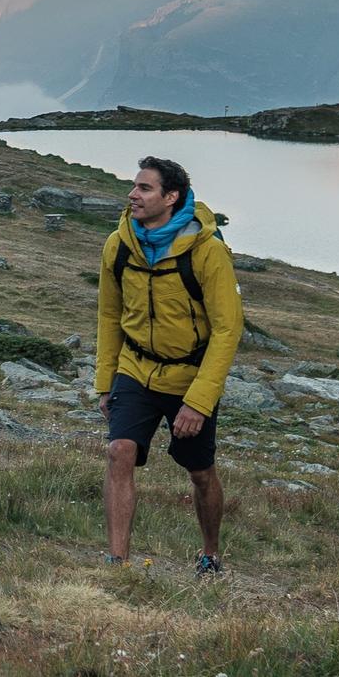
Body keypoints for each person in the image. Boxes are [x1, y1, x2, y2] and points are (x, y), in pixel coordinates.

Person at [95, 156, 243, 576]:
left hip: (189, 376)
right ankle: (116, 562)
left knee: (199, 472)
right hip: (135, 368)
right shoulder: (118, 245)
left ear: (171, 197)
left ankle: (210, 552)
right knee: (119, 451)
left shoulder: (207, 252)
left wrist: (197, 402)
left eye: (144, 188)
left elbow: (227, 330)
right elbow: (109, 317)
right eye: (134, 186)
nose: (133, 195)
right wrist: (106, 381)